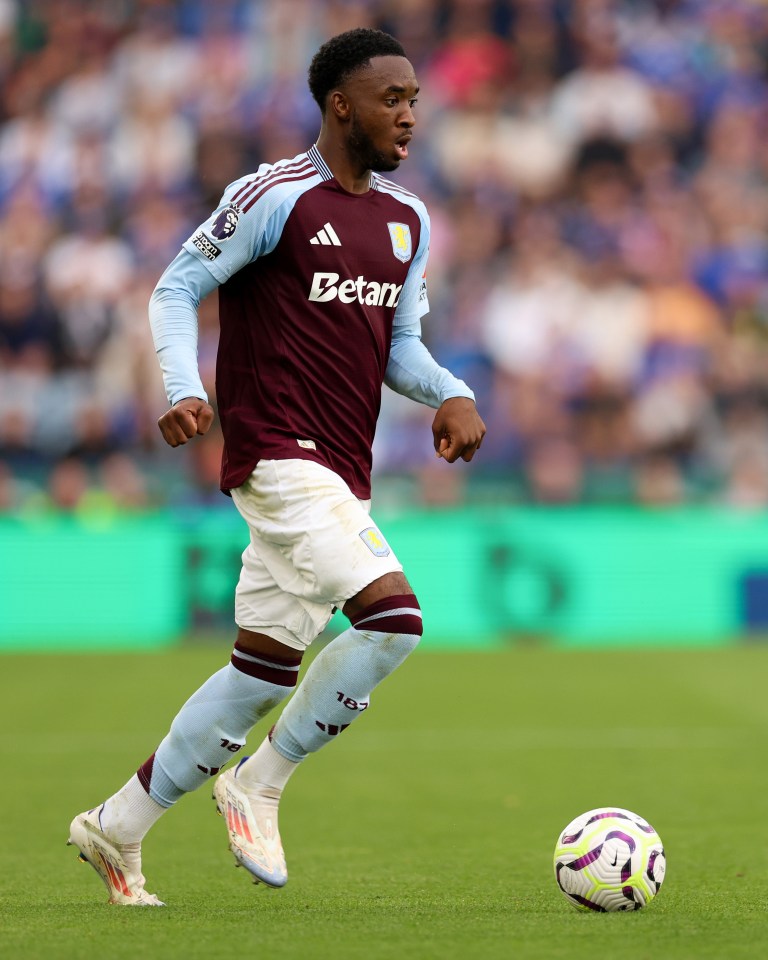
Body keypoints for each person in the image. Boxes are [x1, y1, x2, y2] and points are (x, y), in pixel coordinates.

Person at [68, 27, 486, 906]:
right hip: (276, 454)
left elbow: (398, 345)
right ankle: (259, 783)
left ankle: (116, 826)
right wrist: (185, 387)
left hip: (342, 468)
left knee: (259, 672)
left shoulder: (406, 221)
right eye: (392, 99)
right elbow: (178, 285)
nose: (410, 115)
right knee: (394, 620)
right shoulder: (274, 195)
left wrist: (447, 390)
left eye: (414, 98)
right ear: (341, 105)